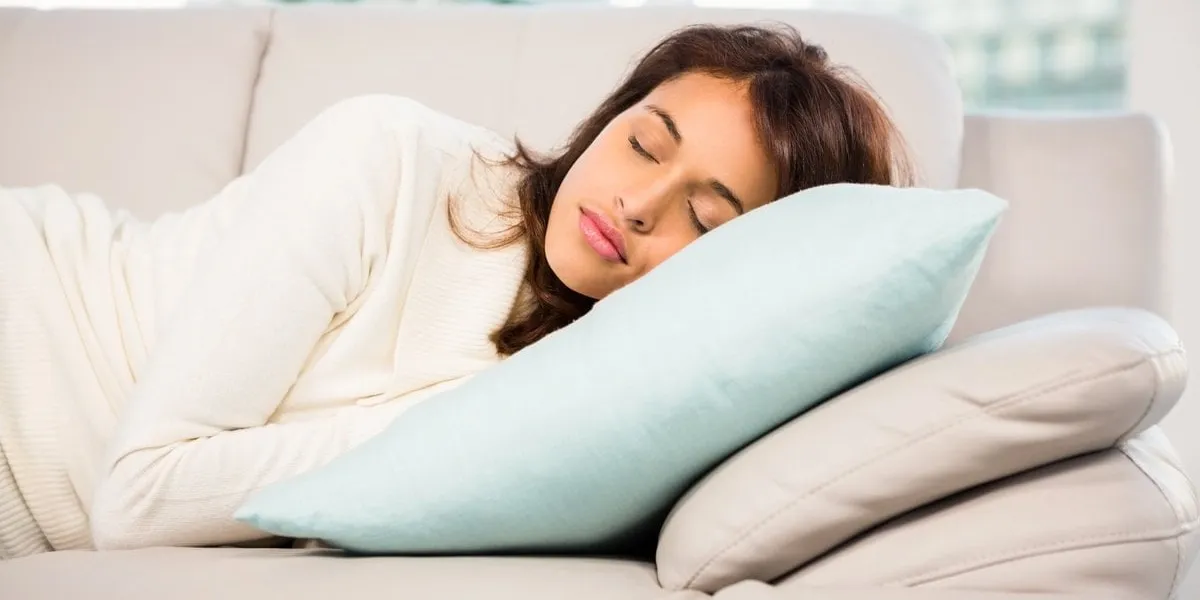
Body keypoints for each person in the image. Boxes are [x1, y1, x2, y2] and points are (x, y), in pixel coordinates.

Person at [0, 22, 911, 558]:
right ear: (609, 118)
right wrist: (493, 413)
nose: (635, 205)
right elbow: (139, 498)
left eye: (705, 221)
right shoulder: (390, 158)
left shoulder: (636, 413)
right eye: (643, 142)